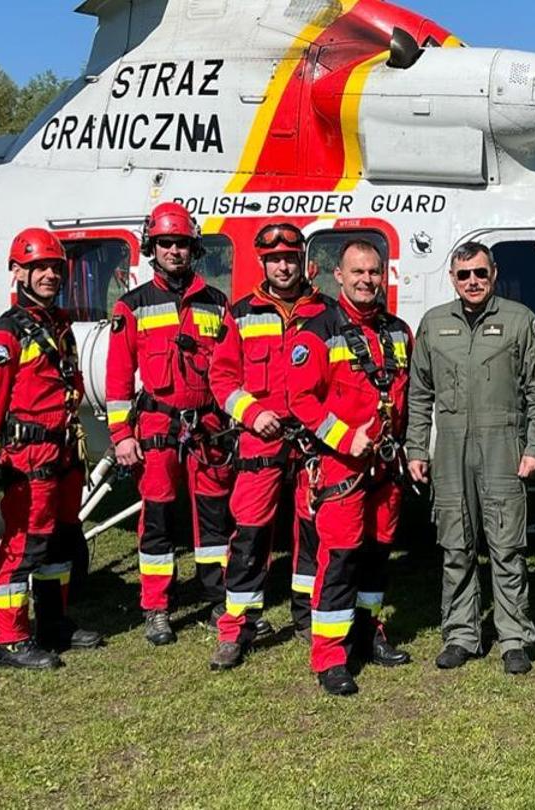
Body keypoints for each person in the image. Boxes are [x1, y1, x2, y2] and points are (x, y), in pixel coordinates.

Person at [405, 242, 535, 675]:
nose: (472, 281)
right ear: (452, 278)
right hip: (451, 447)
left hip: (502, 445)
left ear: (494, 274)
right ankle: (461, 635)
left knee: (507, 548)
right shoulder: (434, 324)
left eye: (480, 273)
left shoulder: (518, 320)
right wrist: (417, 448)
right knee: (456, 546)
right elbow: (419, 395)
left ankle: (514, 638)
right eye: (464, 274)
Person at [104, 201, 242, 647]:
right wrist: (122, 435)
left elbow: (227, 370)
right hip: (158, 428)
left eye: (181, 243)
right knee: (158, 519)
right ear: (152, 247)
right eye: (166, 243)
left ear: (193, 247)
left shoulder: (217, 304)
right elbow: (118, 378)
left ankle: (217, 595)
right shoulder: (132, 306)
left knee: (215, 518)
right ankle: (157, 607)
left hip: (207, 430)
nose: (174, 251)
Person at [0, 227, 106, 671]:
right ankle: (10, 639)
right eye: (38, 268)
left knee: (60, 541)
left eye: (54, 267)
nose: (48, 275)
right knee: (23, 544)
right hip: (30, 456)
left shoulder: (57, 323)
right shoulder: (7, 334)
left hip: (63, 450)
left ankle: (53, 623)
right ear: (18, 272)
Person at [287, 239, 414, 695]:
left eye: (374, 272)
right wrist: (345, 436)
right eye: (357, 272)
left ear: (384, 276)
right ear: (338, 276)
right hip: (341, 468)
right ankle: (329, 656)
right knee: (339, 560)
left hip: (386, 467)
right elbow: (300, 399)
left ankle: (368, 632)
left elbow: (408, 398)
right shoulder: (316, 333)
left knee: (378, 555)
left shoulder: (398, 332)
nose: (366, 280)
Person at [210, 221, 328, 670]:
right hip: (260, 442)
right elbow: (221, 379)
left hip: (312, 442)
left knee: (313, 531)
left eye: (290, 258)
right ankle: (236, 628)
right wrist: (251, 412)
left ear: (303, 261)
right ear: (262, 262)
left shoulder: (326, 314)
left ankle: (308, 617)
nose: (283, 265)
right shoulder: (239, 314)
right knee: (250, 535)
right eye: (274, 259)